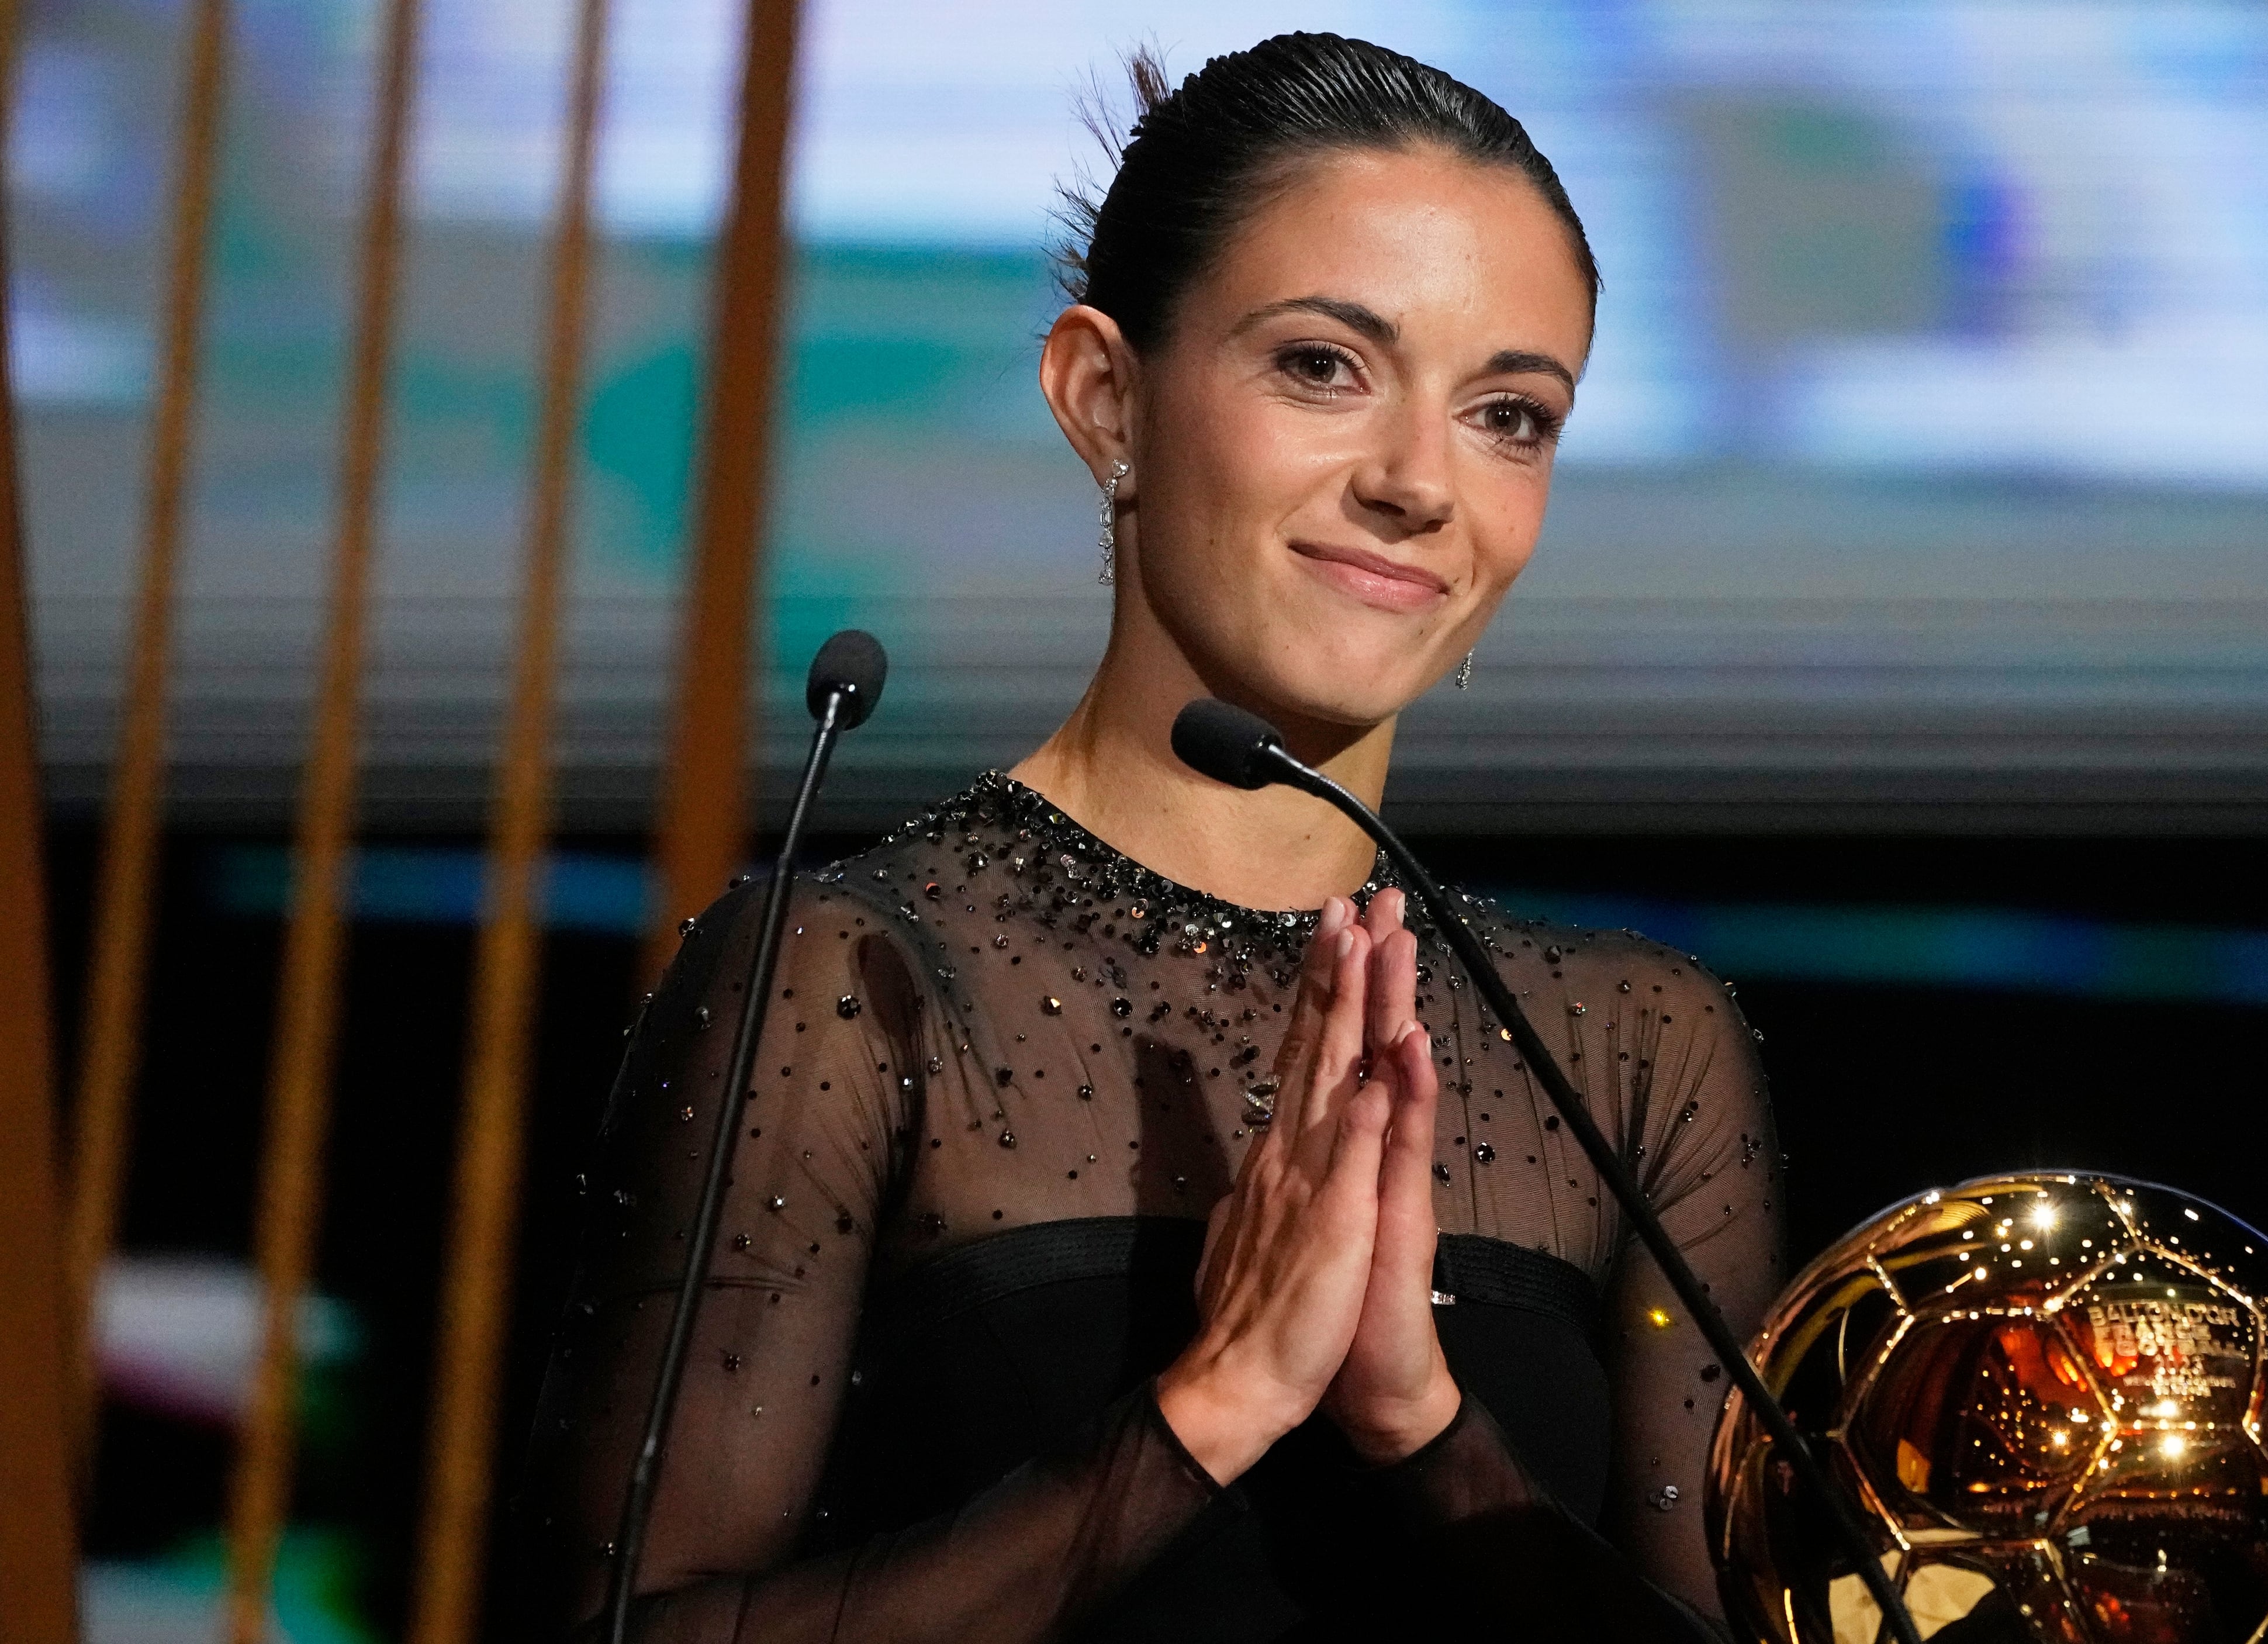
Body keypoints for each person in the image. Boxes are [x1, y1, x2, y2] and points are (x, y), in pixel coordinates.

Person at [530, 33, 1783, 1643]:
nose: (1419, 482)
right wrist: (1211, 1410)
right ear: (1103, 396)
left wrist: (1424, 1427)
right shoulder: (853, 983)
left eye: (1509, 413)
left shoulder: (1629, 1054)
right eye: (1325, 366)